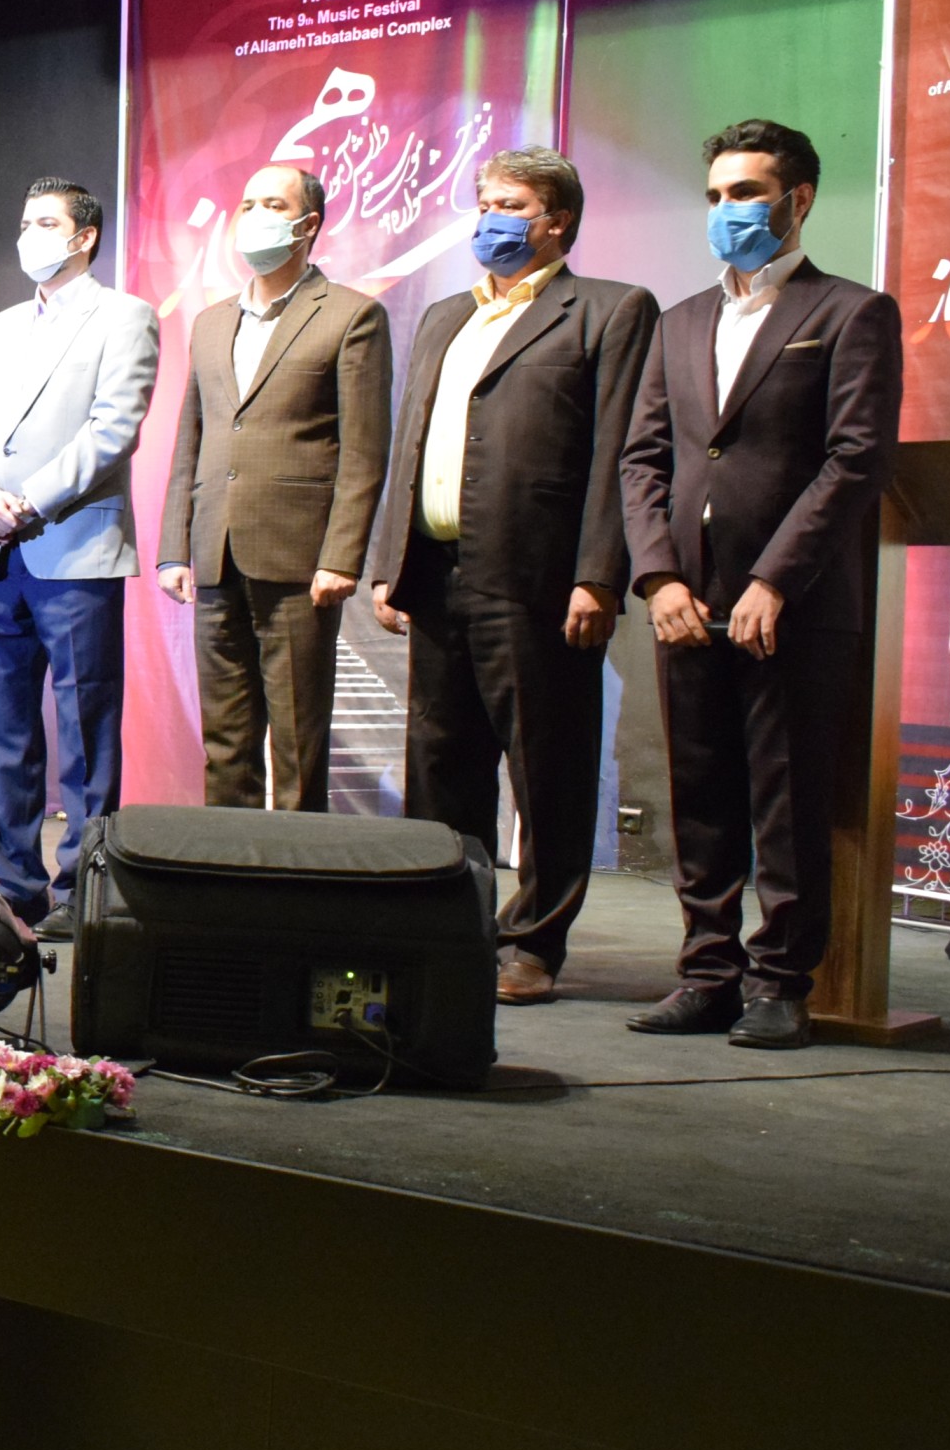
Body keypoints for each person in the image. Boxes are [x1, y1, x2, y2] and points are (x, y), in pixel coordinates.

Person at [622, 119, 902, 1051]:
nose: (726, 210)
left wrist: (774, 579)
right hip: (685, 602)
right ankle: (707, 974)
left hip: (793, 607)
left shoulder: (850, 313)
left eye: (744, 193)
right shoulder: (678, 321)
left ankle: (780, 983)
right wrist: (656, 576)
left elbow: (854, 461)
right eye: (714, 196)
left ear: (798, 200)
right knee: (699, 797)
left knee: (785, 803)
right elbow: (643, 460)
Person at [370, 148, 657, 1004]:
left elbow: (619, 452)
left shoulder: (607, 310)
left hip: (539, 581)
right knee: (440, 767)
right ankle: (447, 929)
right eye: (483, 201)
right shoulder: (444, 316)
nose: (489, 217)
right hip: (437, 575)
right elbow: (410, 443)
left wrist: (597, 574)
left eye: (510, 204)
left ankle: (533, 943)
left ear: (555, 220)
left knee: (547, 770)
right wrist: (388, 563)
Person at [0, 179, 159, 940]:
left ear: (83, 236)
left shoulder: (124, 316)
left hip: (72, 547)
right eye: (24, 221)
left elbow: (113, 430)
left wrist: (28, 501)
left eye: (44, 222)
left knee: (85, 729)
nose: (28, 235)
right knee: (5, 734)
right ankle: (14, 885)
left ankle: (83, 884)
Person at [157, 161, 392, 814]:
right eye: (247, 204)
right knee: (225, 739)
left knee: (296, 740)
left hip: (297, 559)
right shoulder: (210, 322)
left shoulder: (351, 316)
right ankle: (229, 864)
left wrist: (341, 557)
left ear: (307, 224)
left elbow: (363, 452)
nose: (255, 216)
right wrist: (175, 547)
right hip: (216, 553)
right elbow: (190, 440)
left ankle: (298, 866)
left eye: (273, 205)